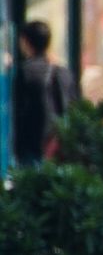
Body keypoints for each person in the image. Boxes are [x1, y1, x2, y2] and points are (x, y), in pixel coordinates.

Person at [13, 19, 74, 165]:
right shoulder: (64, 72)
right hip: (59, 145)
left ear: (26, 42)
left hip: (32, 145)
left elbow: (19, 110)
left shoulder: (25, 72)